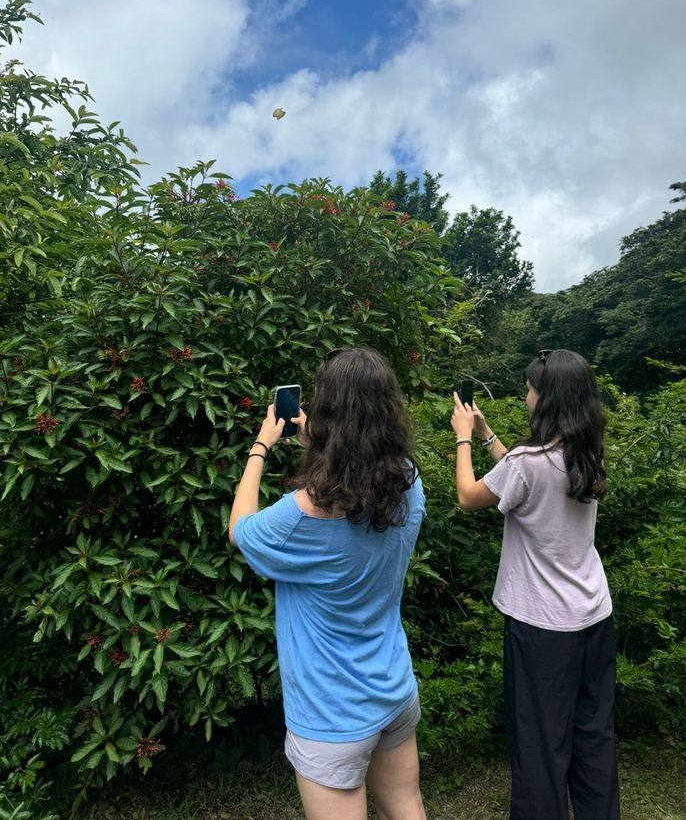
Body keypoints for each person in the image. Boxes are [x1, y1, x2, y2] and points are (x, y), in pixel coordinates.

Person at [229, 348, 427, 820]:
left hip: (331, 712)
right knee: (406, 805)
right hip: (393, 686)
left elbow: (240, 529)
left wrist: (260, 447)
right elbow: (355, 480)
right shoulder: (407, 480)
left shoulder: (303, 513)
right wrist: (313, 443)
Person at [450, 349, 620, 820]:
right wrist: (488, 435)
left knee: (540, 749)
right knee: (593, 740)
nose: (524, 395)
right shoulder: (586, 450)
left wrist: (463, 439)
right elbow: (523, 477)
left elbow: (469, 496)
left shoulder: (530, 461)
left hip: (542, 629)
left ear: (547, 399)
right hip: (593, 617)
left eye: (528, 388)